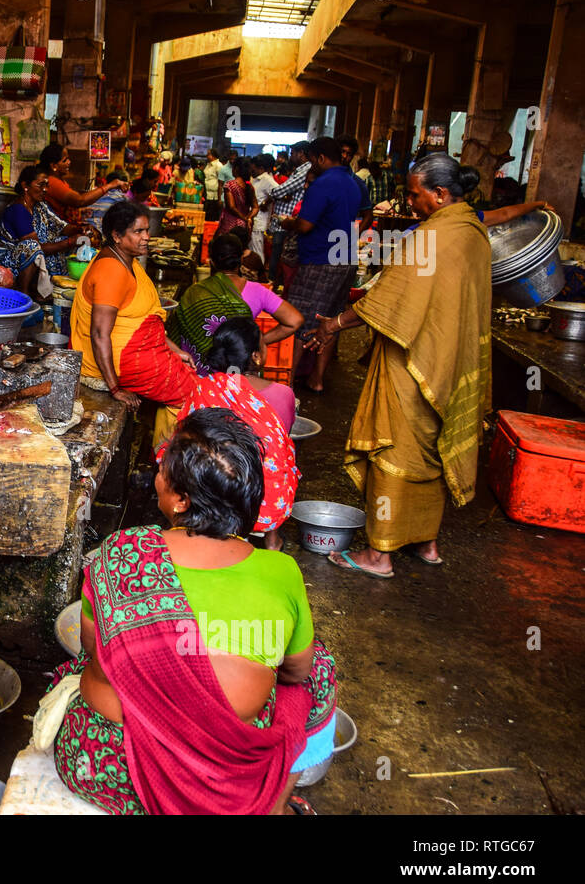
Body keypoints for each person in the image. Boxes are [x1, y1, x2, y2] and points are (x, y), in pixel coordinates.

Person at [46, 407, 337, 814]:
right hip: (220, 780)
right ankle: (273, 805)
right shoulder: (282, 571)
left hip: (103, 763)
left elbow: (96, 651)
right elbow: (297, 673)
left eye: (163, 468)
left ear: (180, 499)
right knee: (318, 666)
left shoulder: (120, 553)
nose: (157, 476)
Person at [310, 153, 491, 579]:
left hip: (412, 360)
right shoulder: (472, 231)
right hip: (446, 359)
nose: (410, 202)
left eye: (415, 194)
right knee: (433, 449)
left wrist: (334, 324)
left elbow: (388, 303)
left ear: (440, 193)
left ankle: (380, 553)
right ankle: (426, 543)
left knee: (394, 447)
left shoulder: (430, 238)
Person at [174, 317, 299, 549]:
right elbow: (279, 441)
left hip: (212, 492)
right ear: (256, 356)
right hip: (265, 497)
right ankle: (272, 539)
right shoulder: (283, 394)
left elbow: (186, 438)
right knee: (282, 452)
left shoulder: (203, 388)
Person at [71, 201, 196, 421]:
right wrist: (115, 389)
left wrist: (175, 351)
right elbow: (99, 334)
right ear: (117, 236)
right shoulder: (111, 271)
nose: (146, 236)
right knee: (193, 394)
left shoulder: (127, 261)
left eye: (146, 230)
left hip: (141, 350)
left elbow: (142, 317)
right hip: (122, 361)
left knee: (190, 375)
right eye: (138, 231)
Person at [278, 136, 364, 393]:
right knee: (329, 321)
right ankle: (316, 378)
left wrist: (288, 223)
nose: (310, 165)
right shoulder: (353, 183)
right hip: (345, 259)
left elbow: (305, 225)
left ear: (321, 158)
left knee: (300, 318)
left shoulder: (324, 183)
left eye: (312, 160)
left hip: (320, 261)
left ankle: (287, 382)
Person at [168, 231, 303, 377]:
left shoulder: (196, 292)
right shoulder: (257, 291)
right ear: (240, 259)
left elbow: (176, 332)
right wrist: (258, 339)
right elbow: (294, 321)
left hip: (201, 379)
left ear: (211, 261)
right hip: (239, 375)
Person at [0, 165, 88, 295]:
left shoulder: (40, 206)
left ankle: (53, 290)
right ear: (25, 186)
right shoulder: (17, 210)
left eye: (47, 185)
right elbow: (37, 248)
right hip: (6, 258)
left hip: (31, 255)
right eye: (40, 185)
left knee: (60, 242)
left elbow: (62, 227)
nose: (45, 189)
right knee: (33, 246)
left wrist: (82, 229)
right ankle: (24, 293)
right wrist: (69, 242)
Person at [39, 143, 127, 222]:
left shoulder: (60, 180)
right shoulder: (52, 182)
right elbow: (80, 200)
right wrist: (110, 185)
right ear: (54, 166)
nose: (69, 162)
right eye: (65, 160)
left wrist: (80, 212)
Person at [266, 140, 311, 284]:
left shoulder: (305, 170)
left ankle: (274, 283)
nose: (291, 157)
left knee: (280, 255)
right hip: (286, 220)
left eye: (293, 153)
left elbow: (284, 189)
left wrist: (274, 193)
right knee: (279, 254)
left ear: (301, 154)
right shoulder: (300, 169)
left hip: (289, 220)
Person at [250, 154, 278, 260]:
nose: (251, 172)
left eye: (253, 170)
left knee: (257, 251)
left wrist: (266, 202)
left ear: (261, 168)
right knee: (253, 249)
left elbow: (278, 192)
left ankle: (259, 273)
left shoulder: (267, 179)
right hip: (254, 219)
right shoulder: (256, 179)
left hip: (260, 220)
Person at [217, 156, 254, 234]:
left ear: (236, 169)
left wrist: (244, 218)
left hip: (230, 224)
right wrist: (248, 218)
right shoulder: (249, 186)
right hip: (244, 226)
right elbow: (256, 207)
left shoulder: (230, 185)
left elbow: (231, 207)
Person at [203, 148, 225, 220]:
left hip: (214, 196)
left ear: (213, 155)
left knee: (212, 216)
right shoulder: (208, 165)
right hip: (207, 194)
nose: (207, 155)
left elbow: (221, 181)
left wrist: (220, 198)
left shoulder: (218, 165)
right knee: (206, 215)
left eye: (208, 154)